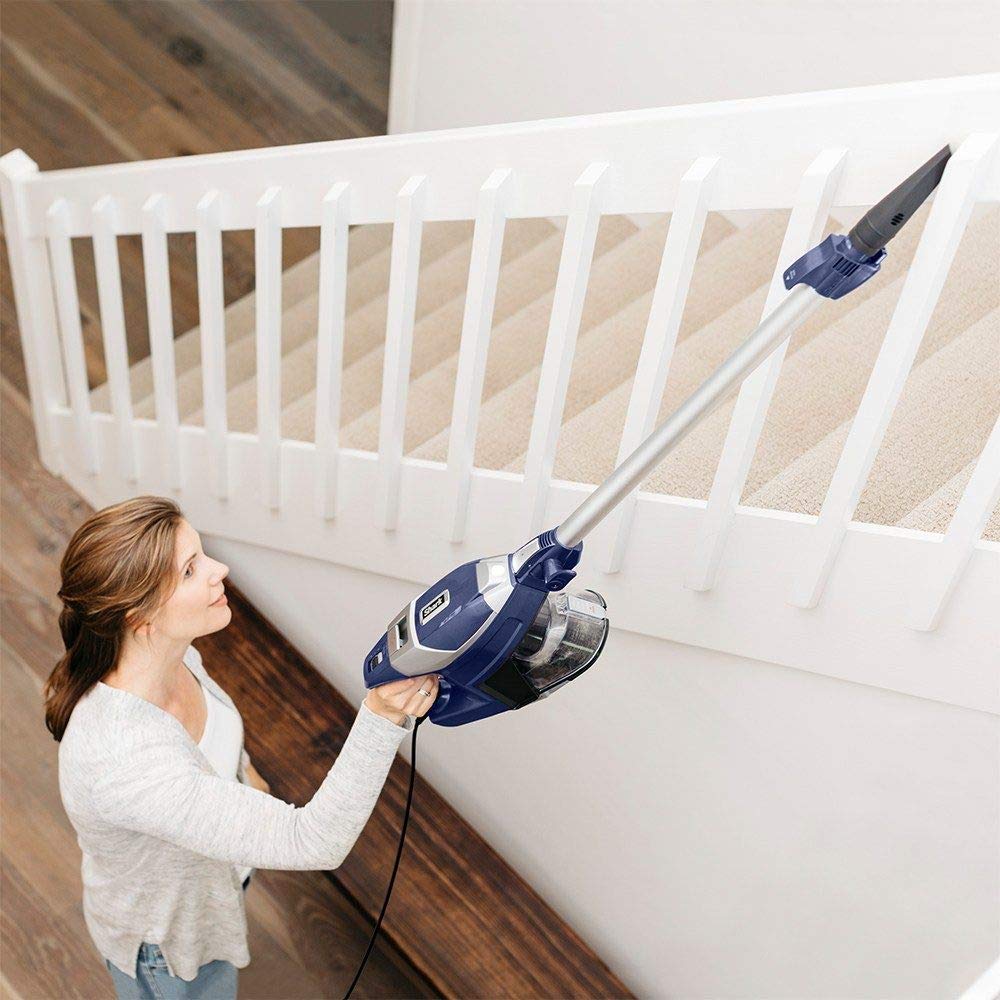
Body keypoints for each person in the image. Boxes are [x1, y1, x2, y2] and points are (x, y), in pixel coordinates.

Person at [45, 495, 439, 999]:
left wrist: (244, 775)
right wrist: (382, 719)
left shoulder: (173, 654)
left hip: (214, 880)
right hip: (170, 947)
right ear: (137, 616)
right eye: (191, 571)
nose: (220, 570)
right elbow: (315, 842)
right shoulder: (125, 762)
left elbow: (212, 743)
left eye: (201, 553)